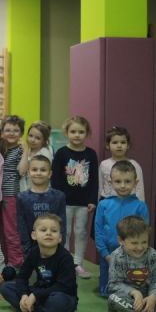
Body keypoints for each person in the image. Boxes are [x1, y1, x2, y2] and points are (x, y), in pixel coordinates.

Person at [0, 214, 77, 312]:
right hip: (39, 291)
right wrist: (24, 295)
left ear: (60, 237)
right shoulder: (34, 253)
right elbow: (22, 278)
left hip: (62, 295)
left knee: (58, 302)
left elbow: (63, 286)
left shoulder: (66, 257)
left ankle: (31, 311)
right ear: (34, 235)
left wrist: (35, 296)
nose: (49, 233)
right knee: (5, 287)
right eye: (43, 230)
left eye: (54, 231)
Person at [51, 116, 98, 279]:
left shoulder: (91, 154)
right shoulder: (61, 153)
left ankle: (78, 263)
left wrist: (92, 200)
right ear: (66, 133)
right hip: (65, 202)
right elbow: (55, 178)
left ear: (87, 133)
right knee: (65, 232)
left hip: (84, 202)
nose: (77, 135)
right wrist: (58, 198)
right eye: (73, 131)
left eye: (81, 132)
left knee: (80, 232)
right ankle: (65, 262)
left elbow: (94, 179)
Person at [107, 216, 156, 312]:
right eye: (134, 243)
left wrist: (152, 298)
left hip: (148, 296)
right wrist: (135, 292)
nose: (140, 247)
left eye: (144, 242)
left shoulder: (153, 255)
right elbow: (113, 284)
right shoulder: (116, 256)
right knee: (113, 299)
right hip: (127, 297)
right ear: (121, 241)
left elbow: (155, 281)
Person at [95, 161, 149, 296]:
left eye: (127, 181)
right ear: (110, 182)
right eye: (118, 181)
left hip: (133, 256)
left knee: (131, 292)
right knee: (109, 292)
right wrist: (105, 254)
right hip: (108, 254)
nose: (123, 185)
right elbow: (98, 231)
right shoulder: (103, 205)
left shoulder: (140, 206)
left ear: (135, 183)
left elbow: (144, 234)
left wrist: (136, 253)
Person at [17, 155, 66, 257]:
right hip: (30, 250)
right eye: (34, 169)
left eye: (43, 170)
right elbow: (21, 226)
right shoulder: (22, 197)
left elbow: (62, 225)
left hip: (54, 248)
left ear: (50, 174)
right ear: (28, 173)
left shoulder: (59, 196)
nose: (38, 173)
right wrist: (27, 250)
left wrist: (59, 247)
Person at [0, 115, 25, 268]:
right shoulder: (0, 148)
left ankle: (16, 261)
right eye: (7, 130)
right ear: (2, 132)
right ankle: (3, 259)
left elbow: (22, 171)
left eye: (16, 130)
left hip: (10, 194)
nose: (11, 133)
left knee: (11, 230)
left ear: (21, 133)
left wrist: (26, 149)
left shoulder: (20, 150)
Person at [98, 126, 144, 201]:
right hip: (108, 202)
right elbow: (100, 186)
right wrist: (98, 203)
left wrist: (140, 205)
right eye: (115, 142)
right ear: (107, 145)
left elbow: (139, 188)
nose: (119, 146)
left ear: (128, 145)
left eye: (123, 142)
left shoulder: (134, 165)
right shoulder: (104, 164)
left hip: (129, 202)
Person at [18, 121, 53, 192]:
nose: (32, 140)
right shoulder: (27, 149)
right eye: (30, 136)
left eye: (38, 138)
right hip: (24, 190)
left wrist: (25, 152)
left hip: (39, 192)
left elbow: (22, 171)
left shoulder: (45, 153)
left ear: (44, 140)